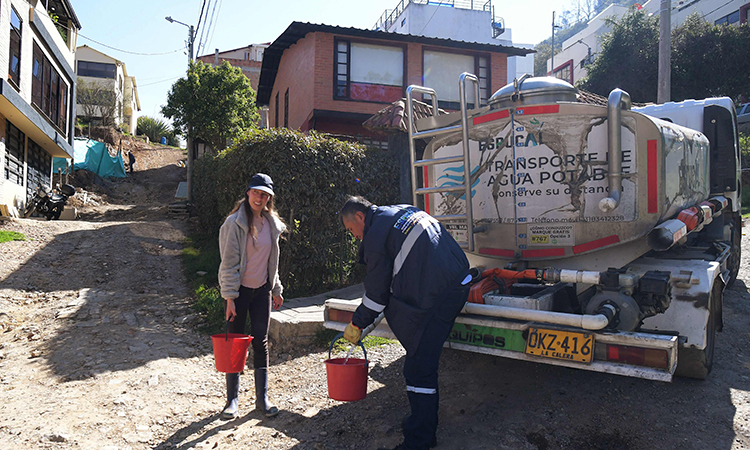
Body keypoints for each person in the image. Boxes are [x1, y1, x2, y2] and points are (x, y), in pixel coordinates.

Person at [340, 196, 472, 450]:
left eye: (351, 230)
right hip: (460, 278)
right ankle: (422, 426)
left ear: (359, 217)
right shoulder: (401, 210)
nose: (354, 236)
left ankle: (419, 440)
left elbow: (377, 297)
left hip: (442, 294)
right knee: (420, 362)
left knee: (418, 368)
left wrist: (357, 323)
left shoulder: (375, 237)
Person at [218, 173, 286, 419]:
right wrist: (229, 298)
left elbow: (272, 263)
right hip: (239, 292)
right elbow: (228, 264)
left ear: (269, 198)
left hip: (262, 292)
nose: (260, 198)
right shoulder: (233, 224)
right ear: (248, 193)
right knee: (235, 343)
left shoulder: (271, 224)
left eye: (265, 194)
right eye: (256, 192)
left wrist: (276, 289)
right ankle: (232, 401)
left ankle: (262, 399)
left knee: (261, 341)